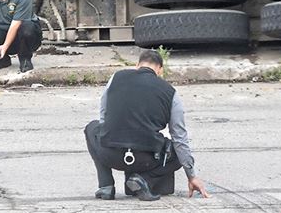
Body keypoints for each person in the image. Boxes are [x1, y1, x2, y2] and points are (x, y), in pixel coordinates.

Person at [84, 49, 210, 201]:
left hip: (111, 154)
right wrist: (192, 176)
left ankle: (106, 186)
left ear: (137, 65)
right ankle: (142, 179)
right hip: (146, 160)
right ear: (160, 70)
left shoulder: (116, 78)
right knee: (178, 152)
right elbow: (179, 137)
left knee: (91, 127)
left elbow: (103, 115)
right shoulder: (170, 93)